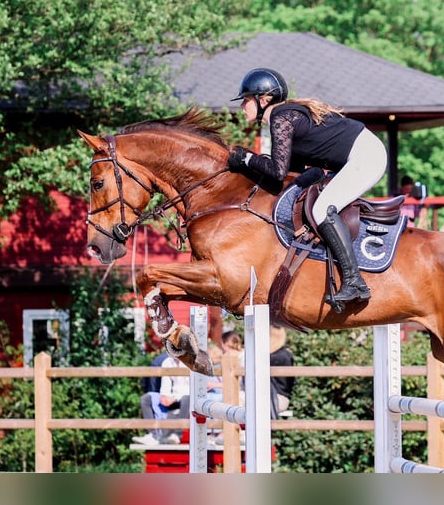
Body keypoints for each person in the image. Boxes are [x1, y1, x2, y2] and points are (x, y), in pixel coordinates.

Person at [228, 67, 387, 307]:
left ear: (263, 100)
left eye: (246, 100)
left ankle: (354, 282)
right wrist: (247, 165)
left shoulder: (280, 118)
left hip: (366, 156)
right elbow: (287, 173)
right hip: (359, 154)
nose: (242, 106)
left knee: (322, 209)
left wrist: (247, 158)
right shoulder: (283, 117)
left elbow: (278, 171)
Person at [133, 355, 191, 445]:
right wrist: (164, 396)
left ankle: (177, 435)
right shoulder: (167, 362)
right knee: (146, 399)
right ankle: (153, 435)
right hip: (173, 396)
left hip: (187, 397)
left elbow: (191, 388)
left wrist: (174, 397)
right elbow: (166, 384)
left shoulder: (192, 360)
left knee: (187, 398)